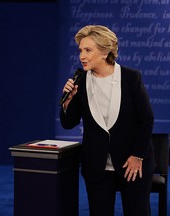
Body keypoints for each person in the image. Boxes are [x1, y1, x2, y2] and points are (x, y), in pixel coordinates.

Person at [60, 25, 155, 216]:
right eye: (80, 50)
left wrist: (137, 155)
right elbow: (68, 123)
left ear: (105, 52)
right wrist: (67, 101)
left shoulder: (130, 77)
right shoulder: (80, 81)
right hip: (97, 165)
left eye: (88, 50)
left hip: (132, 163)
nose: (82, 56)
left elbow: (146, 119)